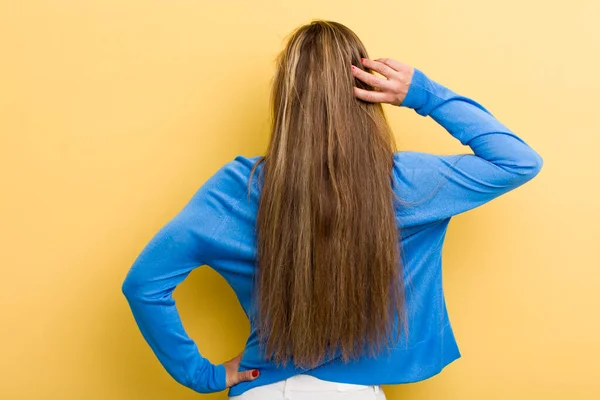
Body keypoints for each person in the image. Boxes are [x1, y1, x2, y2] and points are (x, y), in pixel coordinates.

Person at [121, 20, 543, 400]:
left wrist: (203, 376)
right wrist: (422, 94)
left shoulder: (235, 189)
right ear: (365, 93)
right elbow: (518, 160)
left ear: (285, 99)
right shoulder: (408, 182)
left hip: (261, 391)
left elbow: (143, 284)